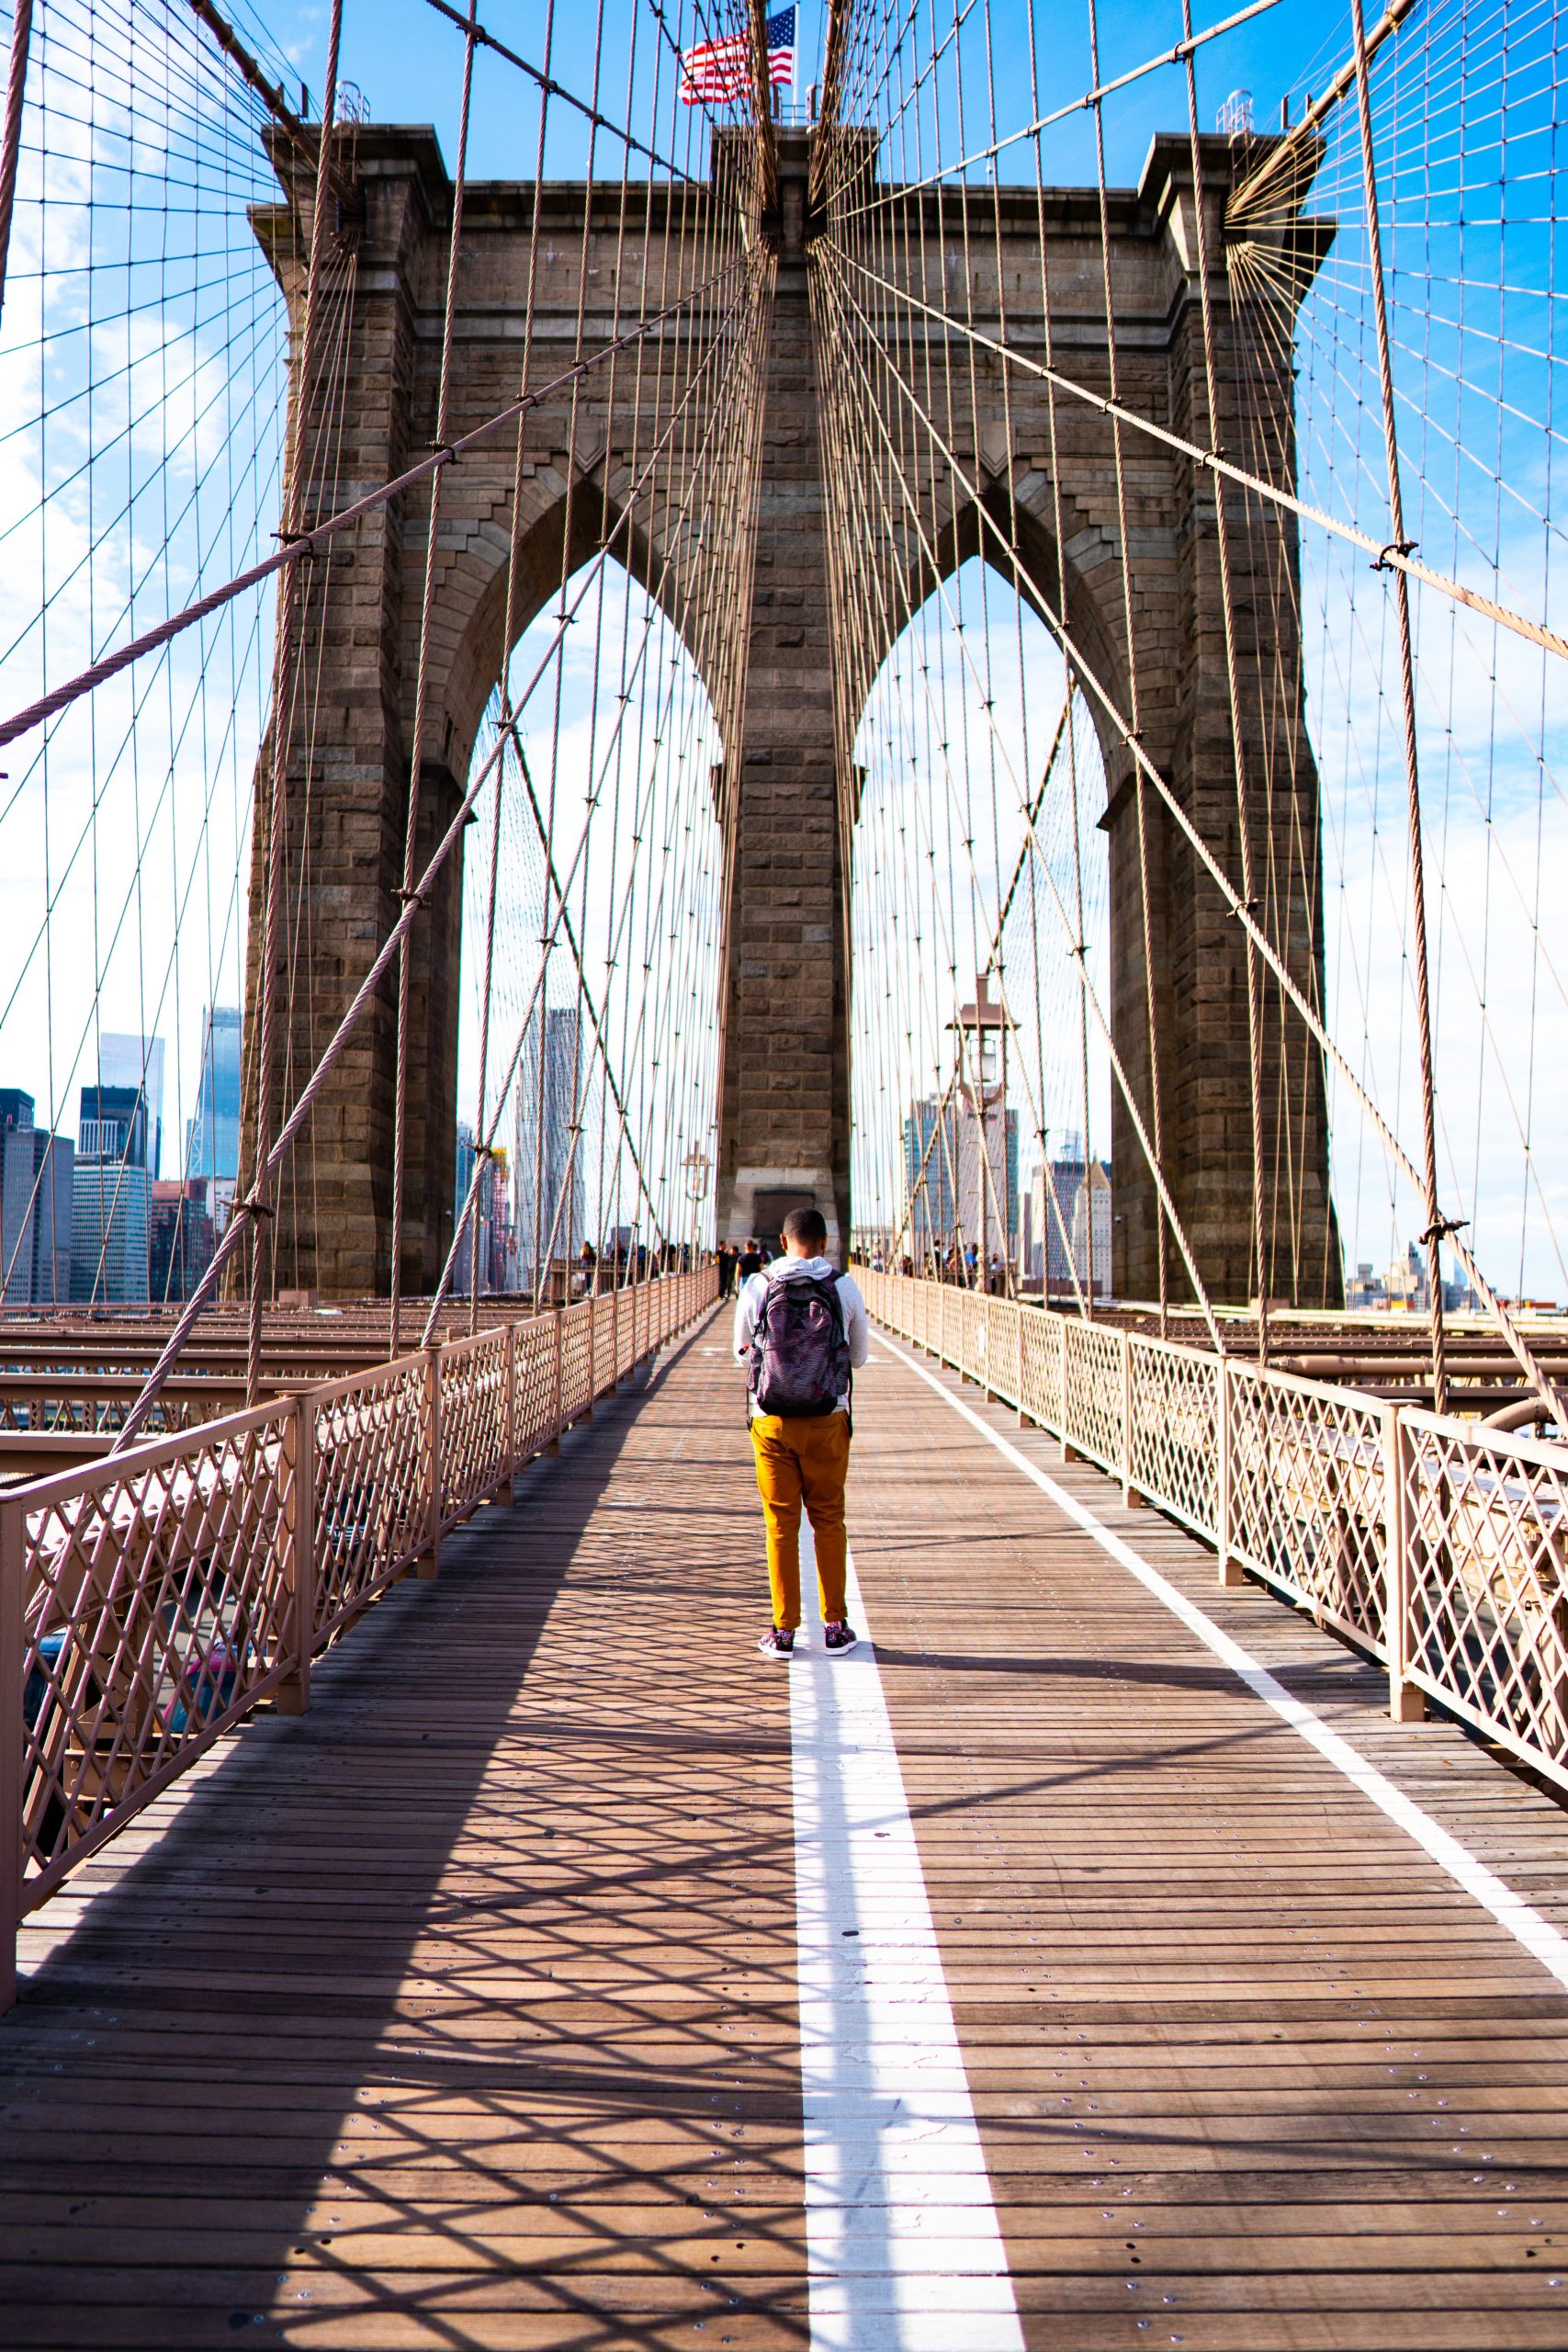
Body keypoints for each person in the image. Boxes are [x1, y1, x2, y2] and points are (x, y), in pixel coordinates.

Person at [734, 1207, 870, 1661]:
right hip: (828, 1419)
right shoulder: (843, 1286)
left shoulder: (758, 1285)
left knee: (781, 1525)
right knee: (828, 1520)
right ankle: (834, 1626)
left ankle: (784, 1631)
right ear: (826, 1242)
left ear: (782, 1239)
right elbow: (860, 1358)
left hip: (771, 1423)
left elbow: (743, 1355)